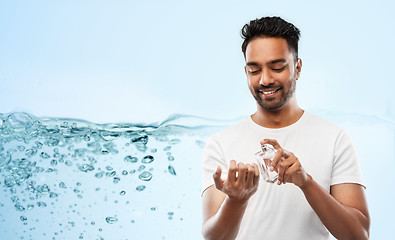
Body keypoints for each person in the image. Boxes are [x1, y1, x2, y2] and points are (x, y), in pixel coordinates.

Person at [201, 16, 370, 240]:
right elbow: (213, 238)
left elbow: (358, 235)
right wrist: (236, 200)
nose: (265, 80)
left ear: (297, 68)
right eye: (254, 70)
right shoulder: (220, 143)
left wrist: (306, 183)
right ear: (246, 73)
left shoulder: (334, 138)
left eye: (277, 67)